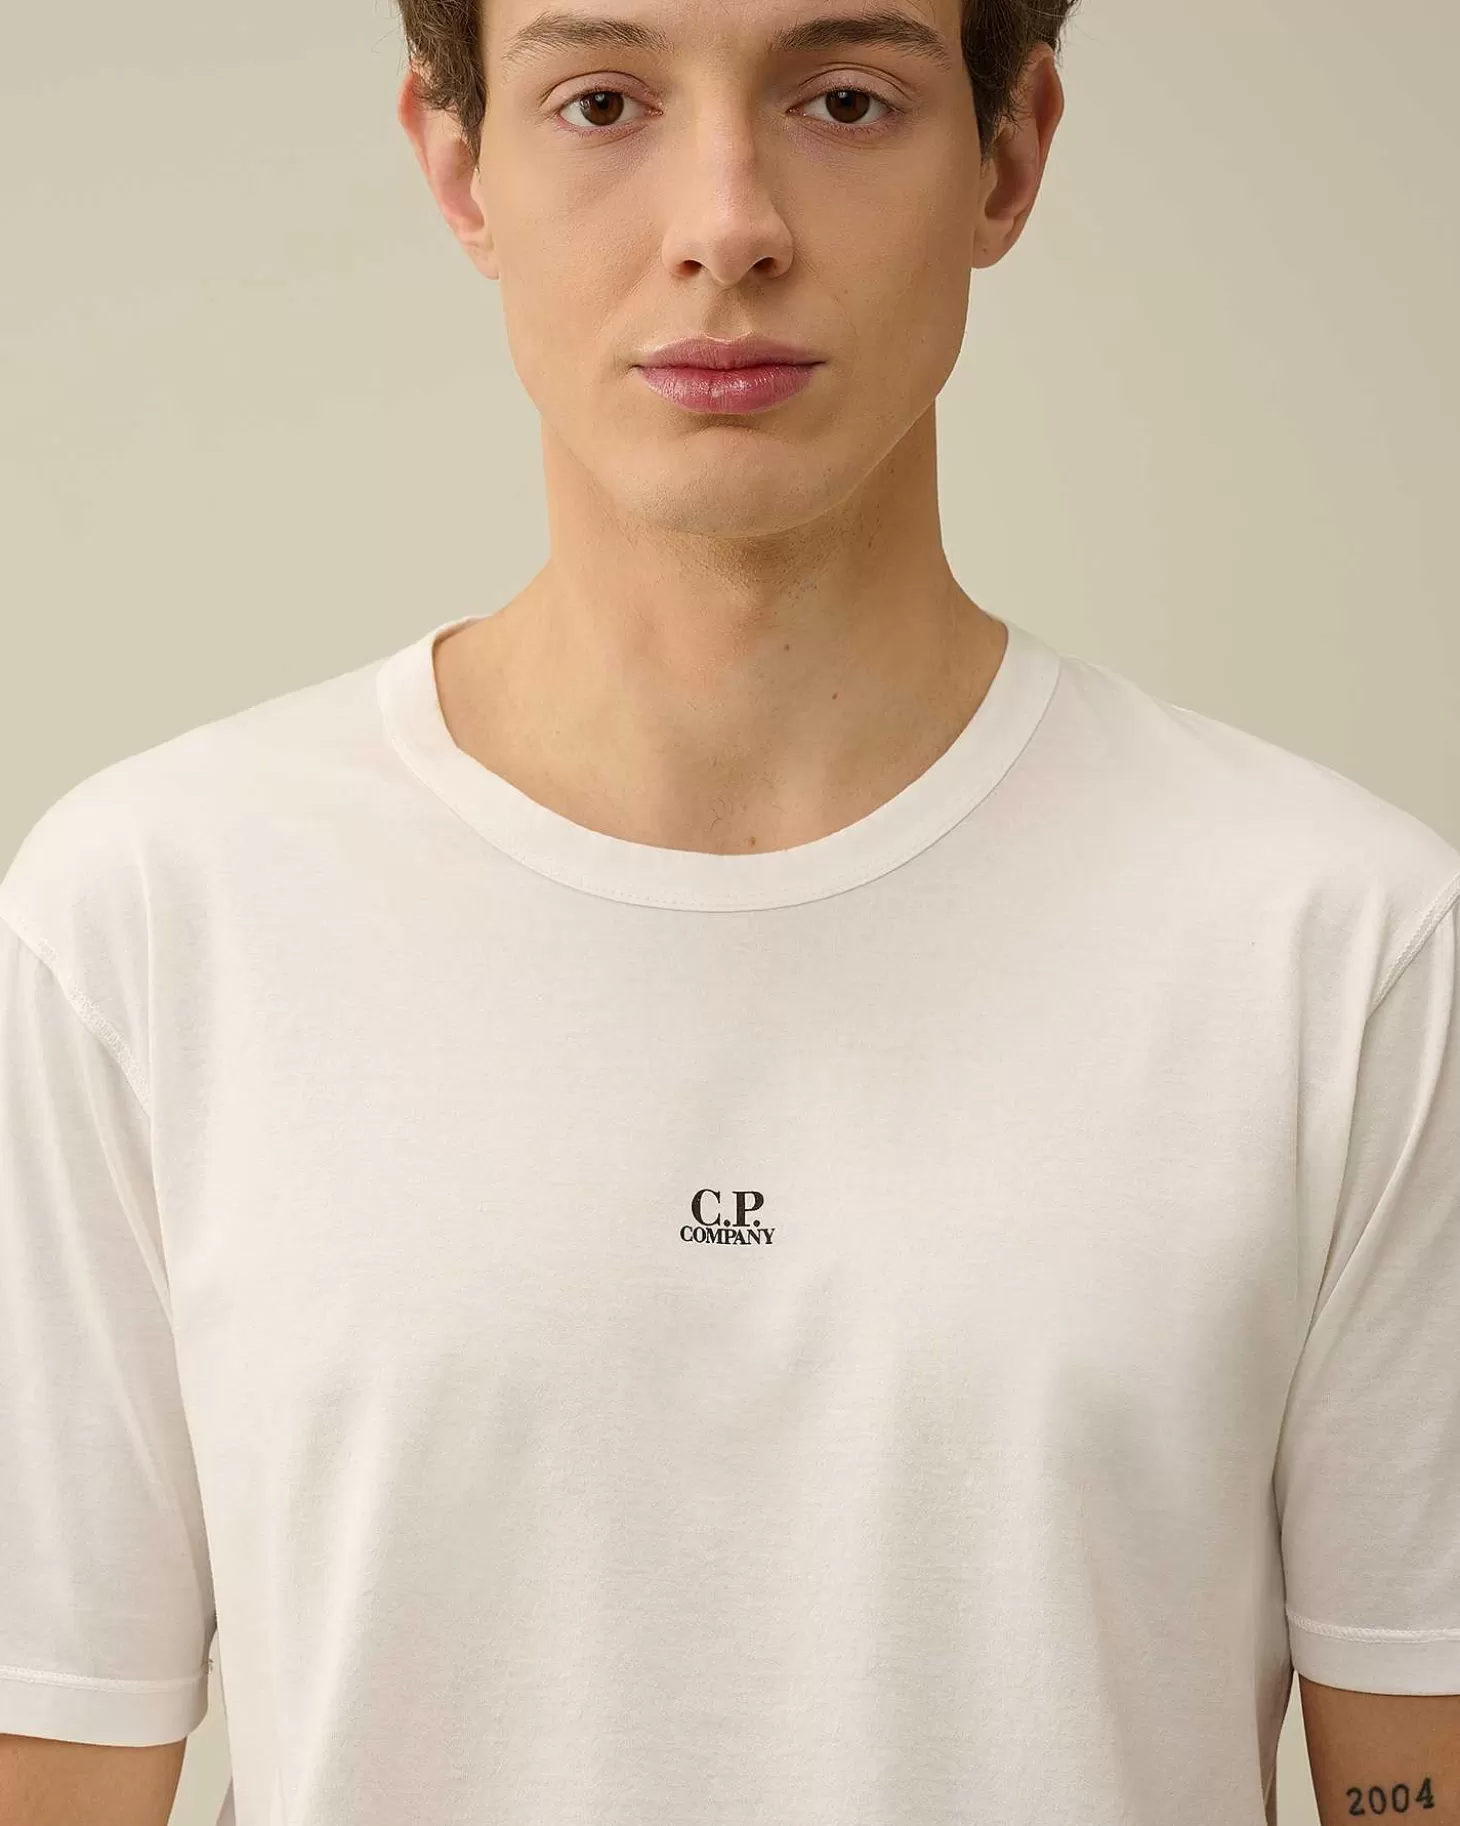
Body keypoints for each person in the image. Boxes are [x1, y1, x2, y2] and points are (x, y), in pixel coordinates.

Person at [2, 2, 1458, 1823]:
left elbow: (1416, 1779)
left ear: (1008, 156)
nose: (728, 223)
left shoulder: (1344, 945)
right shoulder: (149, 922)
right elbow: (58, 1767)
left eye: (844, 99)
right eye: (602, 100)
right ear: (459, 163)